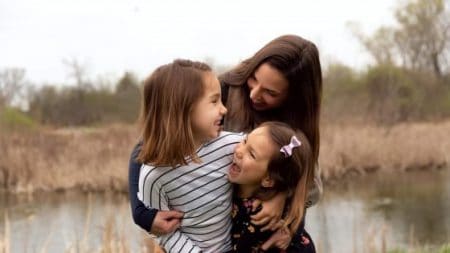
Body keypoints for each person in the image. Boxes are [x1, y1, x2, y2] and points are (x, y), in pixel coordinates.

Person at [129, 34, 323, 248]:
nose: (254, 94)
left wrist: (282, 197)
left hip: (249, 235)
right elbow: (152, 144)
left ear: (293, 97)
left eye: (270, 92)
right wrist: (142, 214)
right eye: (254, 79)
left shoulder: (295, 129)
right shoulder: (220, 89)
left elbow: (307, 179)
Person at [136, 59, 244, 252]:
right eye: (214, 101)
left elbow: (274, 151)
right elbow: (162, 231)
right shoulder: (153, 176)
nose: (224, 109)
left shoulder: (231, 146)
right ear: (183, 109)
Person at [228, 121, 315, 253]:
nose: (239, 151)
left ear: (268, 180)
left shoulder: (261, 215)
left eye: (251, 154)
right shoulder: (238, 185)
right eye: (245, 141)